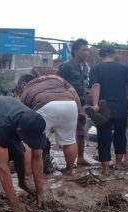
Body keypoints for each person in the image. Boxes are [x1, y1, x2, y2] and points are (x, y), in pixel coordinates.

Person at [89, 46, 128, 176]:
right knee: (120, 135)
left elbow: (96, 86)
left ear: (100, 56)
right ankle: (118, 164)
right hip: (121, 108)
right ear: (112, 54)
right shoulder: (124, 68)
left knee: (104, 136)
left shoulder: (96, 69)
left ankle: (106, 168)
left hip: (104, 109)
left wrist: (95, 104)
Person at [18, 73, 84, 175]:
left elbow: (24, 115)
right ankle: (69, 170)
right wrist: (80, 111)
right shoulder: (55, 78)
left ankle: (28, 172)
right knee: (69, 140)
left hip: (44, 104)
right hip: (69, 104)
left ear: (23, 83)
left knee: (30, 142)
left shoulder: (27, 89)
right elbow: (73, 92)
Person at [58, 38, 92, 166]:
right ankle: (69, 164)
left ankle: (81, 158)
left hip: (82, 105)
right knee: (69, 134)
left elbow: (86, 86)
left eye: (87, 50)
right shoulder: (66, 66)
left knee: (81, 132)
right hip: (68, 104)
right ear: (75, 51)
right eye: (84, 50)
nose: (87, 53)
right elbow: (58, 83)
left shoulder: (86, 67)